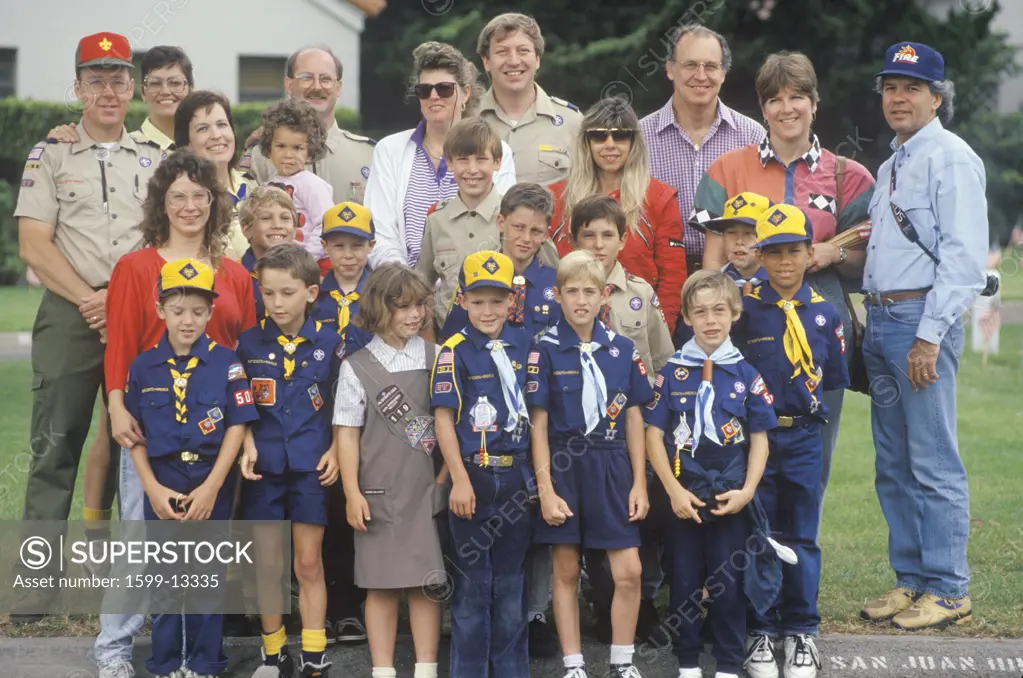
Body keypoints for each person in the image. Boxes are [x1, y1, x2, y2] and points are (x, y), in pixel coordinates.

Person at [13, 31, 163, 628]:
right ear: (77, 88)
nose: (108, 89)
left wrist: (122, 303)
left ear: (133, 88)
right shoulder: (48, 155)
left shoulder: (152, 160)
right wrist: (89, 300)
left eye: (119, 78)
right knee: (55, 448)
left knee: (149, 444)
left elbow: (165, 235)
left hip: (141, 315)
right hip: (70, 315)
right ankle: (35, 586)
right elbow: (33, 242)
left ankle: (147, 584)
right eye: (96, 78)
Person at [95, 150, 257, 677]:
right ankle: (115, 649)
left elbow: (249, 353)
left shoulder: (234, 274)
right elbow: (118, 347)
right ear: (161, 205)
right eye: (178, 196)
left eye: (200, 196)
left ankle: (195, 657)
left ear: (215, 203)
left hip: (217, 434)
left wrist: (248, 433)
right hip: (150, 425)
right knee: (141, 544)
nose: (190, 206)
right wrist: (118, 409)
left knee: (204, 547)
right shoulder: (136, 267)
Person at [694, 51, 875, 506]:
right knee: (738, 446)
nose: (786, 108)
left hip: (820, 333)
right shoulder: (727, 170)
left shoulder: (848, 176)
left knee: (813, 454)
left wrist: (834, 252)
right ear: (763, 108)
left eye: (797, 97)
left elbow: (866, 263)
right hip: (747, 328)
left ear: (815, 103)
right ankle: (748, 563)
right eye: (774, 99)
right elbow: (710, 267)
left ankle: (800, 563)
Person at [858, 42, 986, 632]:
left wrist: (929, 337)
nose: (898, 97)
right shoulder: (891, 164)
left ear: (938, 98)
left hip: (918, 323)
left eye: (911, 87)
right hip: (882, 319)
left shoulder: (951, 157)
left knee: (934, 461)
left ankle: (949, 588)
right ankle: (911, 581)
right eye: (890, 87)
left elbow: (963, 259)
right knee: (893, 464)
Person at [125, 257, 258, 678]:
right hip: (162, 482)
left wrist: (213, 488)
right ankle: (165, 665)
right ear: (160, 309)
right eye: (178, 310)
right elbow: (134, 437)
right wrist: (151, 488)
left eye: (198, 312)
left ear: (211, 312)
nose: (188, 320)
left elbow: (237, 426)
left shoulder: (228, 363)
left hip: (209, 480)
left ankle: (204, 665)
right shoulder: (143, 367)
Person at [732, 204, 848, 678]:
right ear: (760, 256)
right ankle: (760, 627)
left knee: (802, 530)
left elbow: (833, 378)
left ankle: (801, 630)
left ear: (808, 254)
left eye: (794, 251)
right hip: (756, 439)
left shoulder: (825, 315)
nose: (784, 262)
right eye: (774, 252)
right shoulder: (743, 310)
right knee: (758, 531)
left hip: (802, 435)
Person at [527, 248, 653, 678]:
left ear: (605, 295)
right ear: (558, 295)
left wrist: (639, 482)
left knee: (629, 570)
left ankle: (621, 661)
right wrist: (545, 489)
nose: (581, 301)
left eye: (590, 292)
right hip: (564, 466)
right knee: (565, 567)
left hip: (613, 463)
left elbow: (635, 418)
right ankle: (574, 664)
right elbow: (538, 427)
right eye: (572, 292)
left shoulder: (621, 350)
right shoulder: (544, 350)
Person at [645, 269, 776, 678]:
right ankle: (686, 663)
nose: (710, 320)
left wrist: (748, 491)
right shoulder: (672, 372)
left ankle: (728, 664)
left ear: (735, 312)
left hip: (729, 493)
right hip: (685, 492)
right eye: (699, 312)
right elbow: (654, 436)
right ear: (686, 318)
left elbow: (759, 439)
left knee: (728, 583)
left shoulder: (746, 375)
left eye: (719, 309)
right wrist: (672, 492)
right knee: (682, 581)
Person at [237, 243, 342, 678]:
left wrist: (337, 448)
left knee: (307, 561)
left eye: (287, 293)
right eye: (269, 293)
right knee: (269, 563)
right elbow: (238, 402)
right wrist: (245, 440)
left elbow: (344, 405)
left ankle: (314, 652)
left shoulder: (331, 342)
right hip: (263, 467)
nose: (277, 302)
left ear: (312, 293)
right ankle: (273, 652)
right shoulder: (248, 342)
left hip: (311, 465)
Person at [335, 263, 445, 678]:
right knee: (379, 584)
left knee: (425, 583)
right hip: (376, 489)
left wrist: (442, 482)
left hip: (425, 488)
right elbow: (347, 434)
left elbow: (448, 428)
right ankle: (383, 670)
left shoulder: (437, 358)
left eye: (419, 305)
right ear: (381, 309)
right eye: (403, 307)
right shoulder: (356, 366)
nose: (414, 314)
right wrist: (351, 492)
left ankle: (426, 668)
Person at [431, 251, 534, 678]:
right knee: (472, 587)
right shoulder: (452, 352)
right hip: (473, 473)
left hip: (517, 476)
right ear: (462, 300)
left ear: (512, 301)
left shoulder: (527, 345)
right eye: (478, 301)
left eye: (497, 300)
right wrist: (458, 480)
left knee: (512, 586)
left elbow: (538, 413)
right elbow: (443, 418)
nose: (488, 311)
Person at [365, 41, 516, 269]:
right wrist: (407, 286)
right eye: (424, 90)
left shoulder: (498, 150)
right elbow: (380, 231)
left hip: (477, 288)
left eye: (444, 89)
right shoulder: (389, 150)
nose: (434, 96)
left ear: (465, 94)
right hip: (403, 290)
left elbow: (504, 226)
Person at [550, 98, 687, 331]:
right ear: (586, 142)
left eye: (621, 136)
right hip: (566, 326)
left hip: (635, 325)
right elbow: (546, 266)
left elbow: (673, 278)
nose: (610, 144)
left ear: (634, 142)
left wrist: (660, 330)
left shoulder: (658, 198)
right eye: (599, 136)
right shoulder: (557, 197)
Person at [640, 25, 765, 277]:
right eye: (690, 65)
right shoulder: (640, 137)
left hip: (735, 277)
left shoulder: (752, 136)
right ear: (670, 69)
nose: (700, 75)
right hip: (659, 274)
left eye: (710, 67)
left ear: (723, 73)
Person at [240, 46, 376, 205]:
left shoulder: (368, 155)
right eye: (306, 77)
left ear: (338, 88)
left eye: (325, 79)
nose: (317, 87)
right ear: (289, 85)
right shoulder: (260, 155)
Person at [440, 182, 561, 342]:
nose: (526, 238)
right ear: (501, 223)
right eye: (518, 227)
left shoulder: (557, 284)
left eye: (536, 231)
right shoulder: (476, 276)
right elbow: (452, 339)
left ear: (547, 233)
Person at [416, 117, 505, 329]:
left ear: (497, 162)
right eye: (463, 159)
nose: (472, 169)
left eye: (481, 159)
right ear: (449, 162)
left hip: (499, 337)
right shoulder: (437, 219)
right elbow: (421, 286)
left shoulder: (511, 217)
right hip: (447, 338)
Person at [476, 12, 583, 186]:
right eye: (502, 52)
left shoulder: (572, 123)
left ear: (537, 59)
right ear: (486, 62)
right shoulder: (465, 118)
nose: (513, 61)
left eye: (523, 51)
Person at [46, 45, 194, 150]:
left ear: (191, 89)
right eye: (155, 84)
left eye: (175, 83)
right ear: (142, 92)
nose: (166, 91)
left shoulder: (203, 144)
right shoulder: (126, 149)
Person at [675, 192, 772, 347]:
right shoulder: (705, 289)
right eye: (731, 233)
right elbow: (686, 341)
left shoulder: (780, 287)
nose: (739, 241)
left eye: (749, 234)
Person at [257, 98, 335, 274]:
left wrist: (307, 258)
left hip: (311, 265)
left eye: (298, 148)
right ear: (269, 148)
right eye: (281, 146)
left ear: (310, 152)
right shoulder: (266, 187)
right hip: (278, 264)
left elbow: (325, 224)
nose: (288, 155)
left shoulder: (312, 184)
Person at [174, 90, 252, 258]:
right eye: (203, 128)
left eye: (222, 124)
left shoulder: (253, 187)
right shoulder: (188, 202)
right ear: (187, 143)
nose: (216, 135)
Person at [313, 201, 375, 354]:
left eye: (357, 246)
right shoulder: (312, 296)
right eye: (339, 246)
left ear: (371, 245)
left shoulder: (381, 295)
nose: (348, 255)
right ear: (324, 246)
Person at [239, 185, 299, 319]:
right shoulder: (235, 276)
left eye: (285, 218)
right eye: (266, 218)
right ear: (246, 229)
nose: (277, 225)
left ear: (294, 228)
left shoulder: (307, 272)